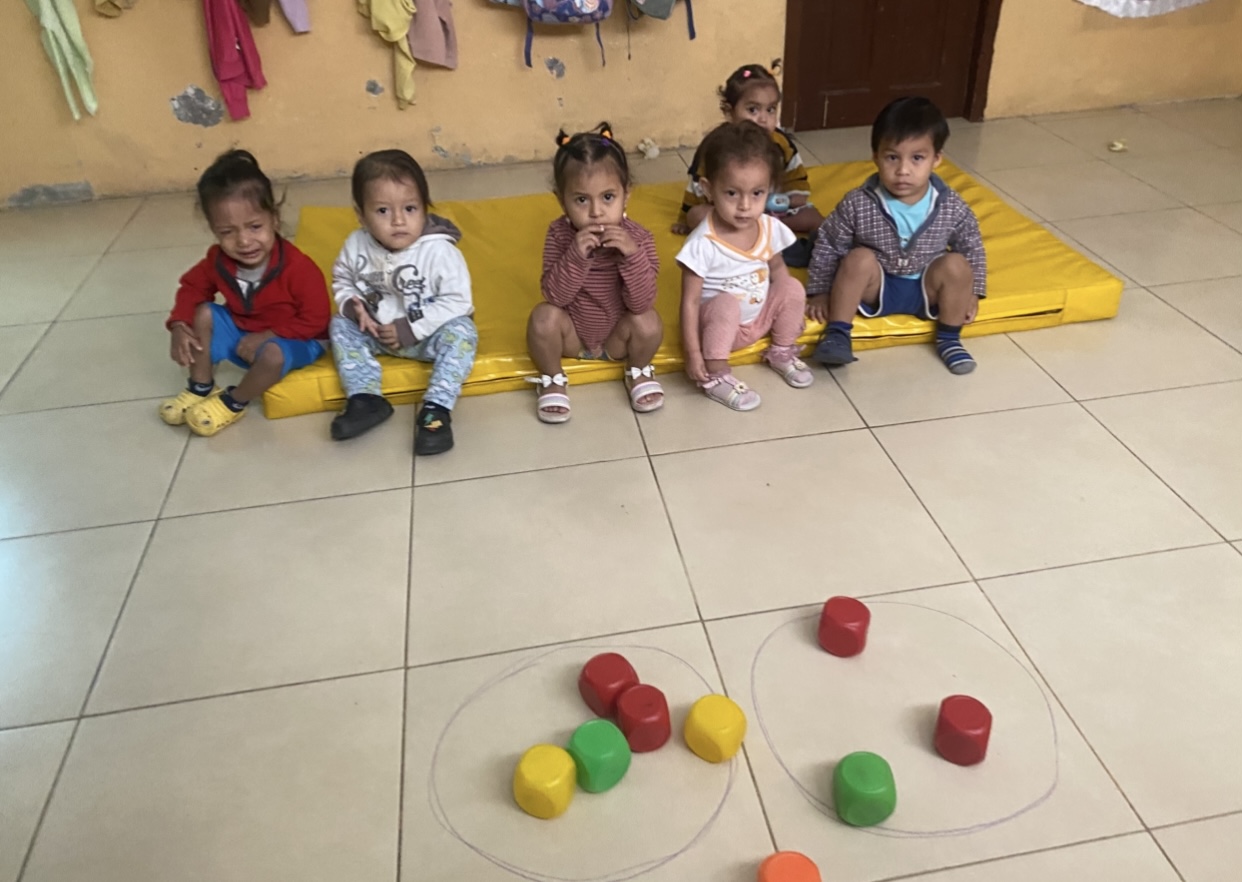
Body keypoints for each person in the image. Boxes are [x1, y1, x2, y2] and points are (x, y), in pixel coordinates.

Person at [807, 96, 987, 374]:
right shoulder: (858, 202)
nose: (903, 170)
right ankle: (838, 334)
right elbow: (829, 245)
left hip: (928, 287)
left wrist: (972, 292)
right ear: (875, 156)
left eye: (917, 158)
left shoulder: (949, 204)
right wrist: (819, 291)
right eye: (892, 157)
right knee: (858, 258)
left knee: (957, 264)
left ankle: (949, 338)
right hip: (876, 286)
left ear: (936, 159)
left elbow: (972, 245)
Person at [161, 149, 330, 436]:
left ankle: (234, 401)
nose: (244, 241)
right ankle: (201, 387)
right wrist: (178, 324)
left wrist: (268, 335)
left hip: (295, 340)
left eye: (254, 227)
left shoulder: (299, 268)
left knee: (273, 355)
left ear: (274, 219)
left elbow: (317, 319)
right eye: (227, 232)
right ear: (214, 230)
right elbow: (192, 287)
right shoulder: (217, 260)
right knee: (202, 313)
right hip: (244, 334)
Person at [329, 149, 478, 454]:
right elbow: (343, 280)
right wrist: (354, 308)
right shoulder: (356, 244)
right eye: (383, 211)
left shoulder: (440, 251)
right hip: (377, 332)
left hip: (428, 336)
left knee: (463, 333)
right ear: (361, 215)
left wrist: (410, 328)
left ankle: (436, 408)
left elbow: (458, 301)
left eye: (410, 208)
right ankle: (365, 398)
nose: (398, 220)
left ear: (424, 207)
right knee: (339, 324)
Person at [526, 123, 663, 423]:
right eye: (581, 200)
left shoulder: (639, 238)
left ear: (626, 195)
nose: (596, 212)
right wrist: (575, 256)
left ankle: (637, 370)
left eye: (608, 197)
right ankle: (552, 377)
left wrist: (631, 256)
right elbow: (555, 297)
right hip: (572, 338)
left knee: (649, 322)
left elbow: (642, 302)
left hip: (618, 339)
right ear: (561, 200)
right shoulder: (559, 235)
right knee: (542, 317)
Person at [677, 120, 815, 412]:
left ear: (770, 190)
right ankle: (715, 375)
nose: (744, 205)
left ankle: (781, 350)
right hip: (719, 331)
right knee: (726, 304)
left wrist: (790, 313)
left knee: (791, 285)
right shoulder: (703, 242)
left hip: (758, 320)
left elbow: (778, 270)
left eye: (757, 193)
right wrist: (693, 353)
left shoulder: (767, 226)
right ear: (708, 189)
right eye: (732, 193)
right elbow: (689, 302)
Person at [673, 62, 823, 267]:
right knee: (697, 216)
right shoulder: (715, 146)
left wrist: (792, 197)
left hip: (771, 212)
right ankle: (745, 240)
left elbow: (795, 175)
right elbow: (697, 185)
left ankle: (824, 251)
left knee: (815, 218)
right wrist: (685, 217)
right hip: (730, 213)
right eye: (753, 110)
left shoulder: (781, 144)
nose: (763, 119)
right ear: (729, 112)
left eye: (771, 110)